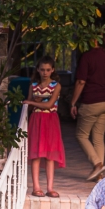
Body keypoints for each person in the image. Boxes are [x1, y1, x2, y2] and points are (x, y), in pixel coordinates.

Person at [70, 30, 105, 181]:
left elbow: (81, 82)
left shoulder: (87, 57)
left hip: (91, 102)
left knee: (81, 135)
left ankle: (97, 164)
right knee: (98, 137)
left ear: (93, 39)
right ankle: (99, 176)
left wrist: (73, 102)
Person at [24, 55, 65, 198]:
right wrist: (32, 102)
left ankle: (50, 187)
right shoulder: (33, 85)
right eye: (42, 70)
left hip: (50, 119)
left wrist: (33, 102)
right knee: (35, 153)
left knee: (50, 155)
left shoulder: (56, 85)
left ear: (52, 70)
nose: (45, 72)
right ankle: (36, 186)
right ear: (38, 70)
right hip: (36, 119)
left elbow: (48, 104)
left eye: (48, 69)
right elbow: (27, 105)